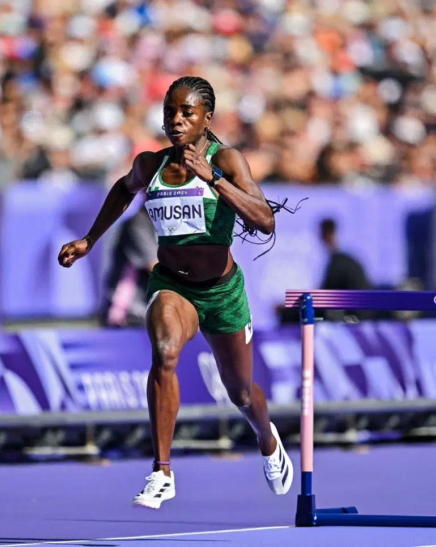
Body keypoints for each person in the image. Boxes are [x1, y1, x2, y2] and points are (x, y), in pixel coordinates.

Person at [58, 76, 293, 509]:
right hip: (173, 284)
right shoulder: (151, 165)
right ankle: (162, 470)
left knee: (241, 392)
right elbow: (121, 192)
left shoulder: (228, 159)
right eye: (170, 111)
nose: (177, 120)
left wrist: (216, 179)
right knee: (164, 352)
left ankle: (267, 437)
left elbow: (265, 220)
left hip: (222, 292)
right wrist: (89, 240)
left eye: (187, 112)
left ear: (207, 118)